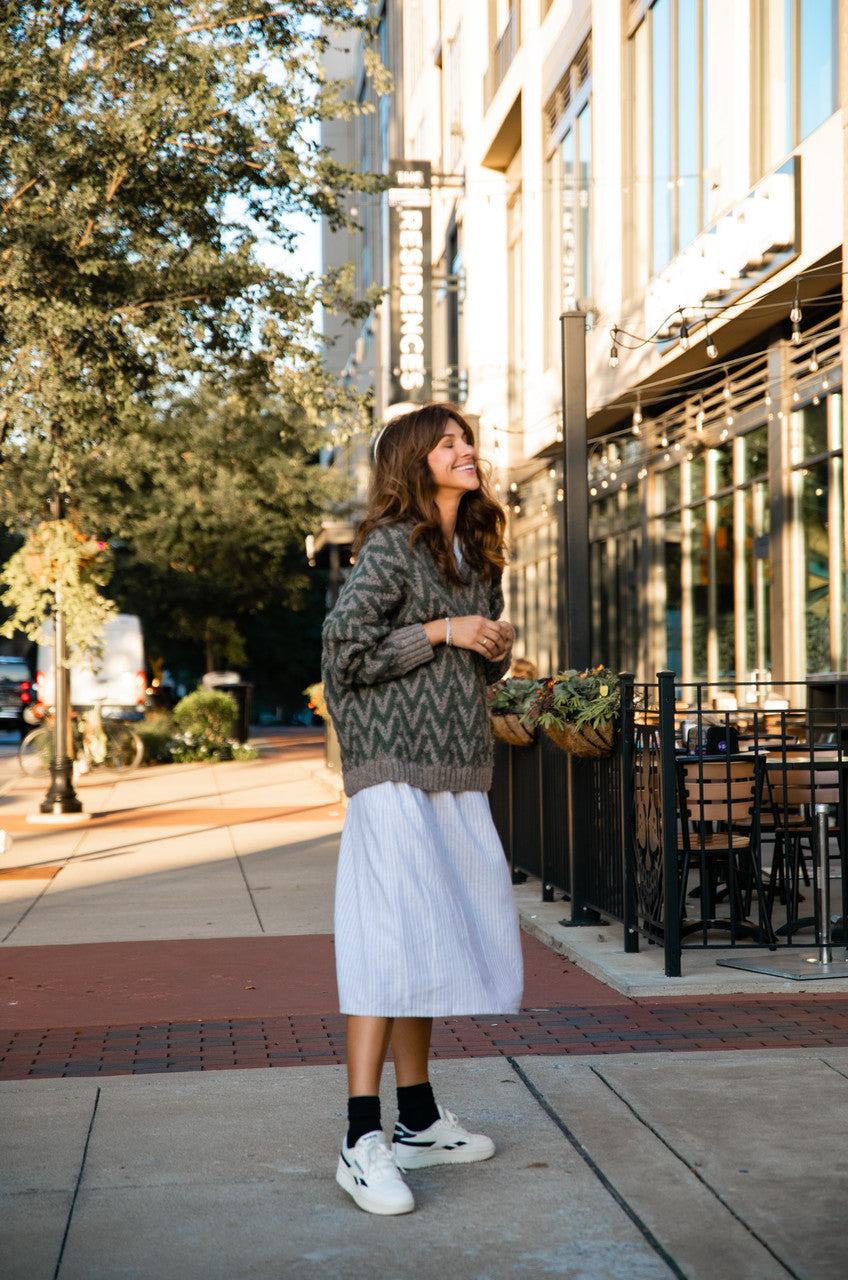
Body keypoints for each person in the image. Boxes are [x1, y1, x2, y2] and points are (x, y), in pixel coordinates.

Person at [321, 402, 524, 1216]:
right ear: (415, 461)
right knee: (387, 938)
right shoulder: (390, 549)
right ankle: (359, 1136)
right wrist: (444, 628)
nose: (466, 451)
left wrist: (491, 650)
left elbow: (461, 673)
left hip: (454, 771)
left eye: (466, 440)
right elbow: (346, 652)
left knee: (429, 935)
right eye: (448, 443)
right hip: (391, 771)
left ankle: (417, 1119)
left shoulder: (475, 554)